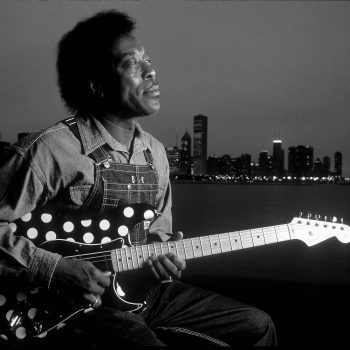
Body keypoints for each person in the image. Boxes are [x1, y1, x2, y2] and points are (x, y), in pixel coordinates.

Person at [0, 10, 277, 346]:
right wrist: (55, 269)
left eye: (149, 60)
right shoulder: (50, 150)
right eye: (133, 63)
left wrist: (161, 259)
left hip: (134, 293)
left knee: (257, 326)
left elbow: (156, 236)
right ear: (97, 85)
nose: (152, 71)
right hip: (61, 307)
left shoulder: (155, 153)